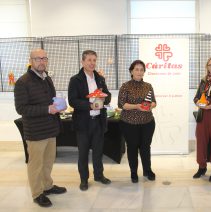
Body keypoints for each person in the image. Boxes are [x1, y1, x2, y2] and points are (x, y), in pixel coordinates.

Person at [14, 49, 67, 207]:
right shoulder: (23, 82)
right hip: (36, 132)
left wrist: (58, 105)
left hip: (50, 128)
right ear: (31, 60)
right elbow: (21, 108)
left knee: (48, 161)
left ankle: (47, 186)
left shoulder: (47, 78)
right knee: (36, 165)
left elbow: (49, 100)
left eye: (44, 58)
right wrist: (47, 109)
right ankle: (37, 193)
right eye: (38, 59)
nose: (42, 61)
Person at [68, 50, 112, 191]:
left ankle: (99, 176)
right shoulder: (75, 80)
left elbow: (108, 96)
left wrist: (104, 98)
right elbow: (72, 101)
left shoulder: (100, 78)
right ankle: (84, 180)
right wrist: (90, 105)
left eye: (94, 60)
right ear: (83, 62)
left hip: (98, 121)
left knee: (98, 152)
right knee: (83, 154)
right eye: (89, 60)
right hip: (83, 123)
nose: (92, 63)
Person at [118, 60, 156, 183]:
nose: (139, 72)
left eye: (141, 69)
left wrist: (151, 106)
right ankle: (133, 172)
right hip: (130, 124)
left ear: (144, 72)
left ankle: (147, 170)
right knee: (132, 148)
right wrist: (137, 106)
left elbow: (154, 102)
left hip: (147, 123)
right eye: (137, 69)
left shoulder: (148, 86)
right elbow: (121, 104)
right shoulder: (125, 86)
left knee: (146, 147)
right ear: (131, 71)